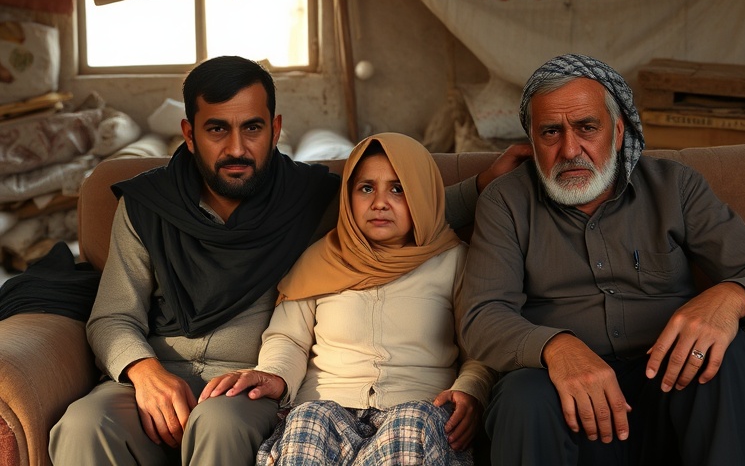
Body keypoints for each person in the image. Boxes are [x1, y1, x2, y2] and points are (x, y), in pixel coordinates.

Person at [49, 56, 527, 466]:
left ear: (275, 129)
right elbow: (112, 316)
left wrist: (484, 184)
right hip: (153, 373)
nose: (236, 148)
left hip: (244, 383)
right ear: (189, 133)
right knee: (84, 425)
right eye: (217, 129)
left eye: (252, 128)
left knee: (220, 425)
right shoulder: (146, 205)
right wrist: (145, 373)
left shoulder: (308, 197)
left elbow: (403, 215)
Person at [455, 54, 745, 466]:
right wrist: (556, 347)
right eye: (551, 132)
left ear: (619, 130)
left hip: (672, 389)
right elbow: (482, 315)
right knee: (522, 398)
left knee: (726, 356)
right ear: (532, 140)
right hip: (567, 402)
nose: (570, 149)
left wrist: (729, 298)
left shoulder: (675, 186)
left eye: (587, 127)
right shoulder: (506, 201)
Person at [199, 132, 495, 465]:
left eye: (398, 189)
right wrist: (274, 374)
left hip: (418, 408)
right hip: (327, 407)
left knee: (411, 423)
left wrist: (471, 390)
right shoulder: (319, 259)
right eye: (366, 188)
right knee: (309, 419)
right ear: (349, 197)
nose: (379, 202)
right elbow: (288, 338)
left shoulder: (456, 262)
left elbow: (481, 345)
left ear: (424, 195)